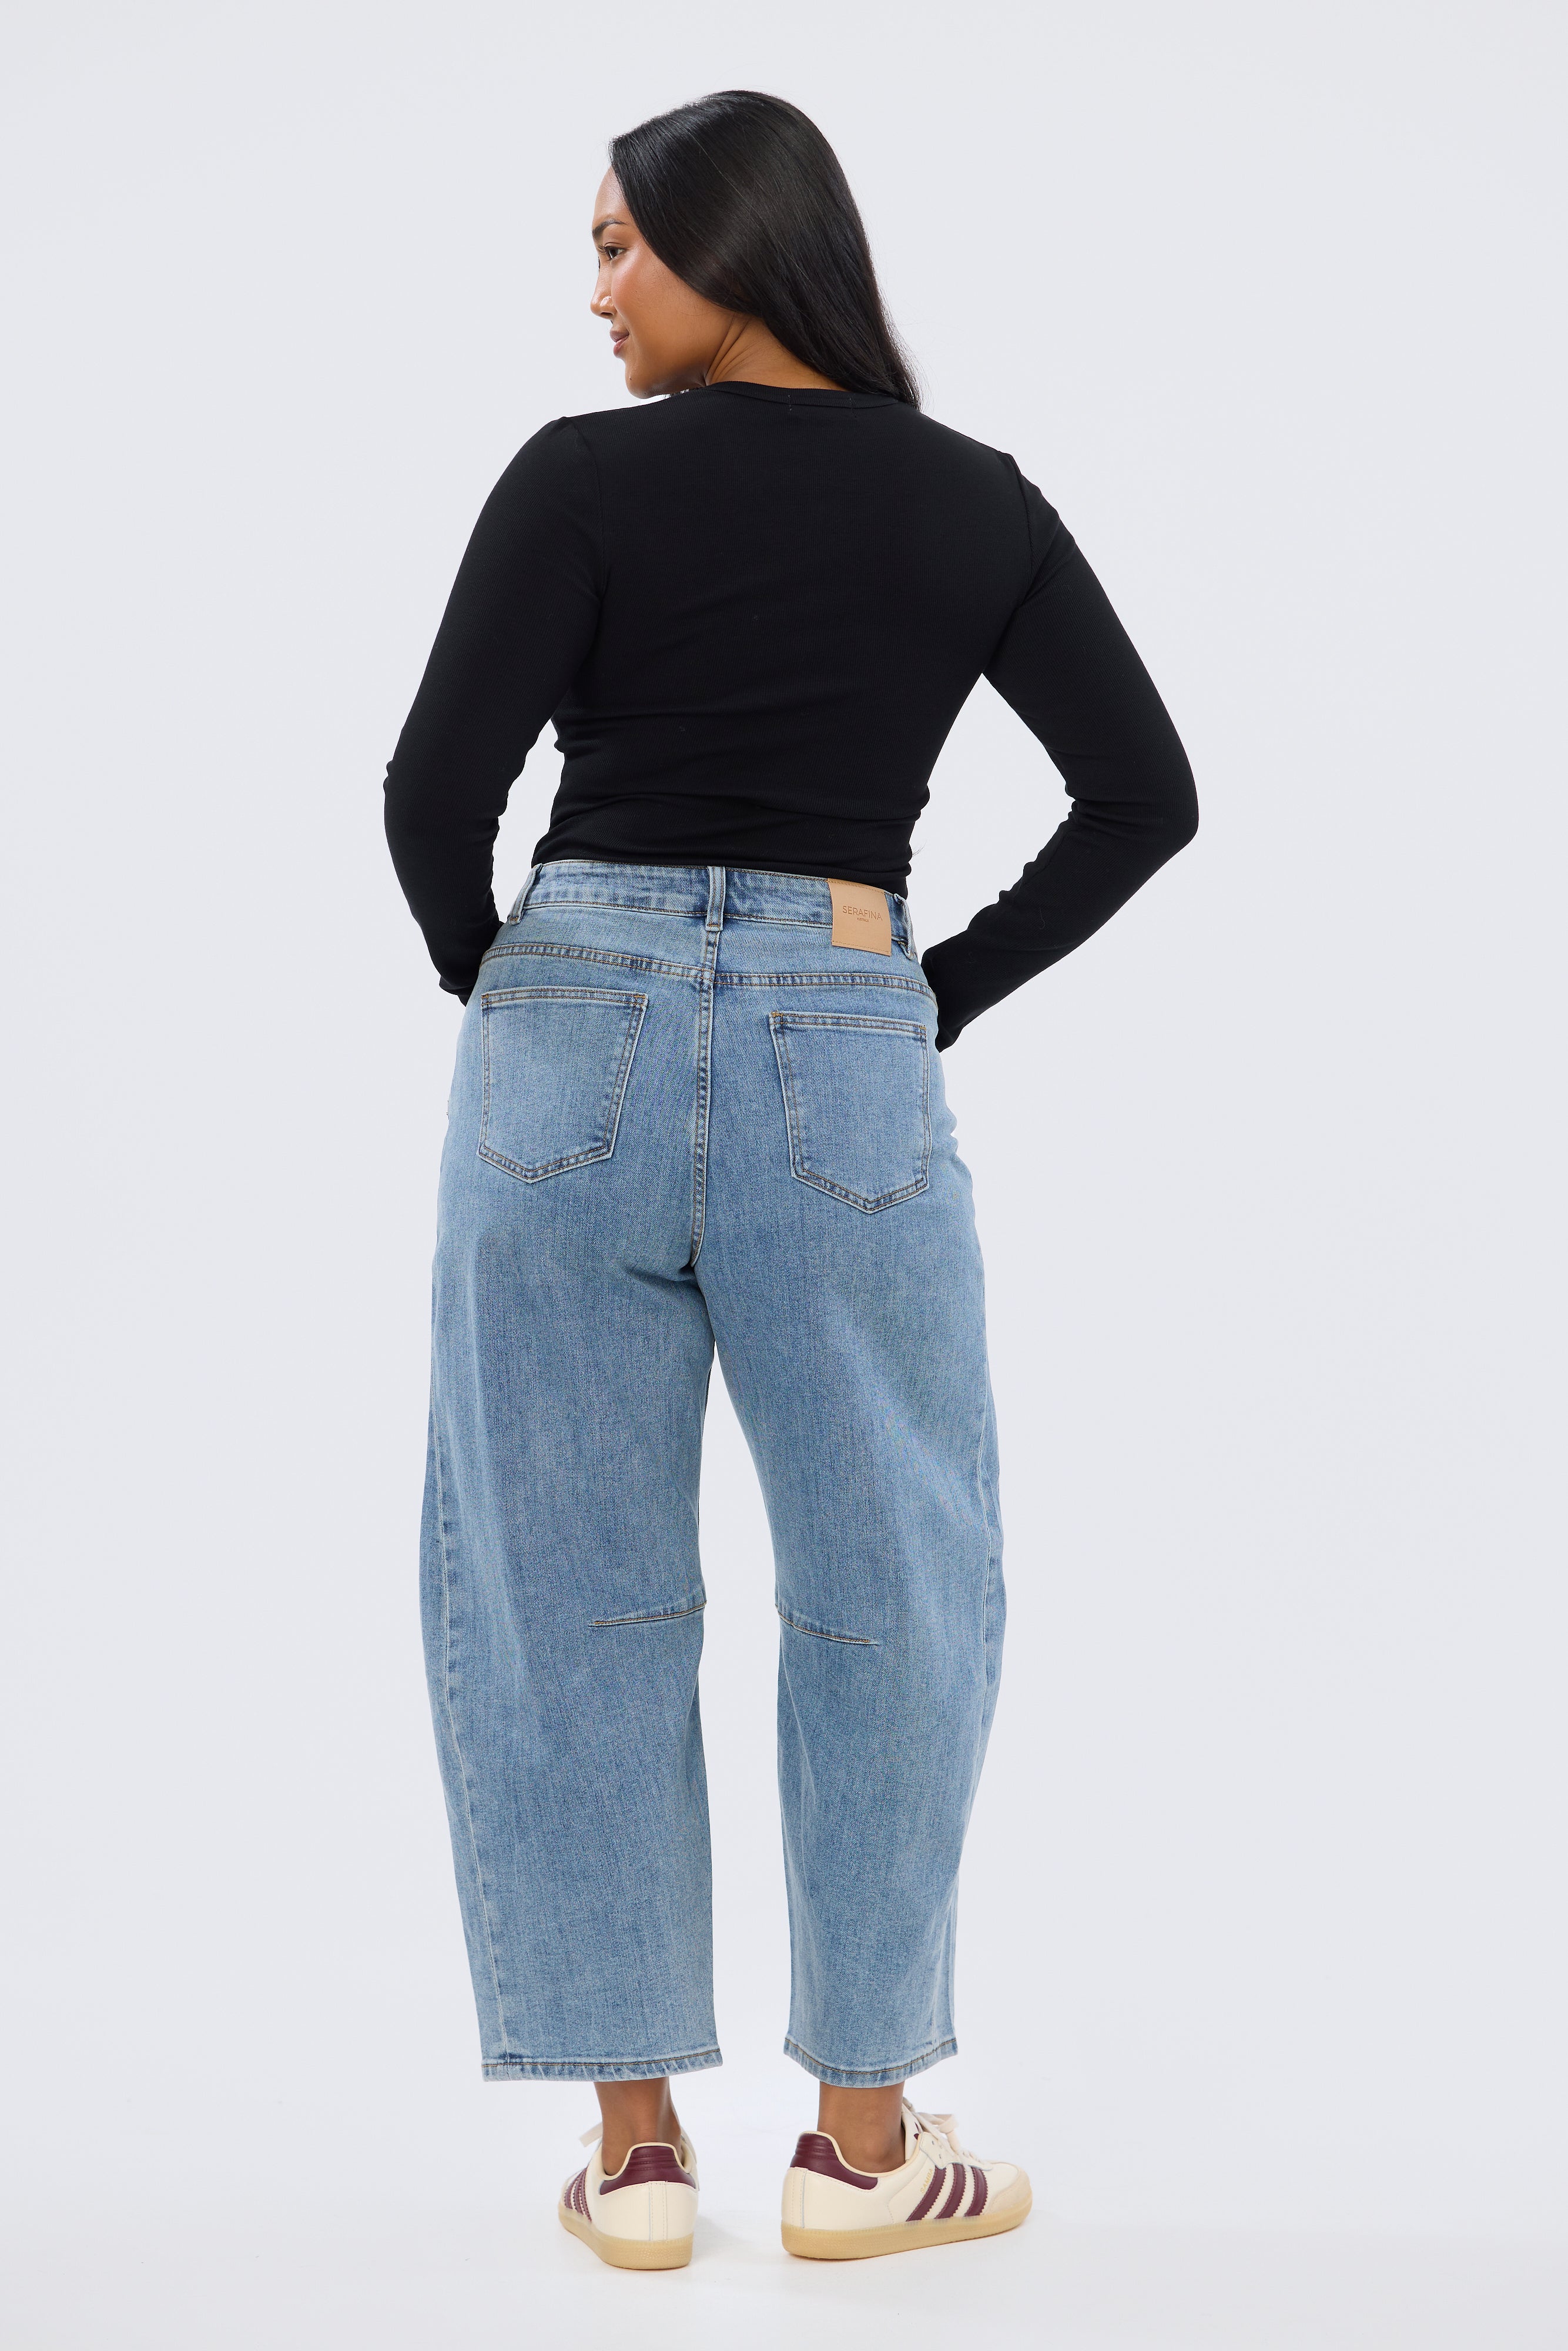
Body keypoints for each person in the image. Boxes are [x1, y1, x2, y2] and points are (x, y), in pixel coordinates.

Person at [384, 89, 1197, 2272]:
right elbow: (1145, 796)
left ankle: (637, 2152)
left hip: (567, 1024)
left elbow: (431, 791)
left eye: (618, 245)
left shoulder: (578, 479)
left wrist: (516, 989)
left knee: (559, 1585)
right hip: (843, 1036)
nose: (595, 292)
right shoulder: (971, 502)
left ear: (731, 245)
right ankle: (857, 2148)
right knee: (896, 1577)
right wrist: (927, 994)